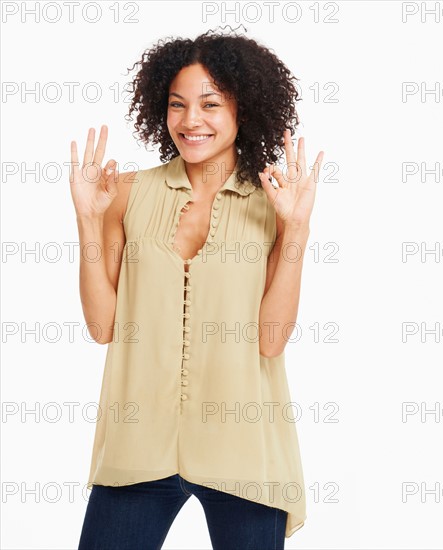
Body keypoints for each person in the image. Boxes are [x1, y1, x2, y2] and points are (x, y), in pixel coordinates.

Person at [70, 27, 324, 550]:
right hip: (137, 445)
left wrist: (296, 230)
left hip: (244, 451)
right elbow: (102, 328)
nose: (191, 121)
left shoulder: (274, 204)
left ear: (242, 111)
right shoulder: (126, 193)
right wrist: (87, 222)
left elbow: (272, 340)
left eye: (210, 104)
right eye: (177, 104)